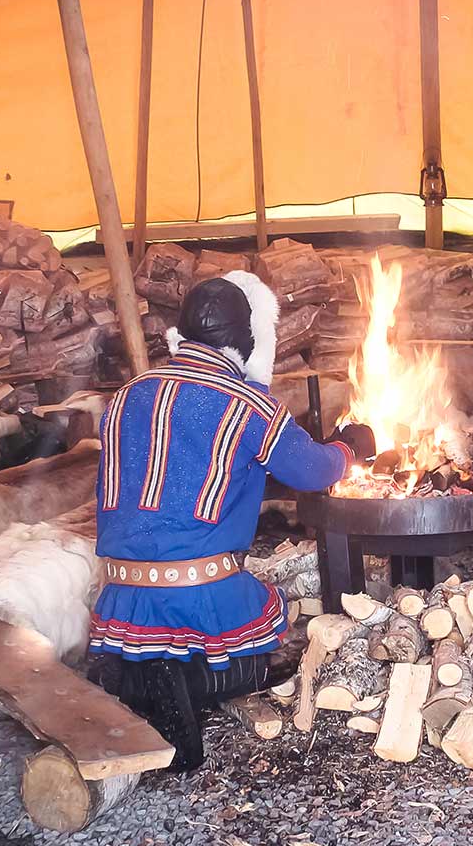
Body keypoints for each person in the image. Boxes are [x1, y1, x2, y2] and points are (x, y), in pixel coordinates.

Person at [87, 271, 373, 770]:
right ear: (246, 339)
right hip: (200, 592)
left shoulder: (125, 395)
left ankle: (132, 677)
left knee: (159, 642)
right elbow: (312, 471)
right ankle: (188, 683)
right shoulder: (248, 405)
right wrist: (349, 448)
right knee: (280, 649)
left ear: (182, 333)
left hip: (122, 592)